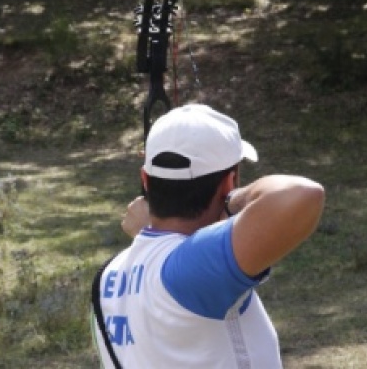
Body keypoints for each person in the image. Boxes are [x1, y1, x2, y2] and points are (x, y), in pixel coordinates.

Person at [92, 104, 325, 368]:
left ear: (145, 179)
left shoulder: (107, 275)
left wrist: (145, 233)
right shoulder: (195, 267)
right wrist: (233, 199)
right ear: (230, 181)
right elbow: (302, 194)